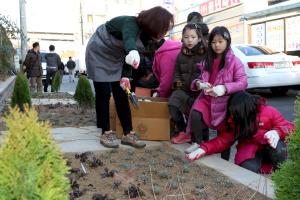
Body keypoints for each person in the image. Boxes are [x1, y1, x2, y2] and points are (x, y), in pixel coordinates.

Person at [85, 6, 174, 148]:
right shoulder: (130, 23)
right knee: (104, 93)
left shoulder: (147, 37)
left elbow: (131, 56)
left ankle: (128, 133)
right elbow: (129, 41)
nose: (165, 32)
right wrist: (132, 52)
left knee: (121, 92)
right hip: (99, 51)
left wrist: (125, 76)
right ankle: (106, 132)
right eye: (164, 28)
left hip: (118, 56)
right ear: (155, 23)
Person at [172, 26, 248, 155]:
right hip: (207, 97)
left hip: (225, 101)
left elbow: (243, 82)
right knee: (195, 114)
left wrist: (225, 88)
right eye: (213, 42)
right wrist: (199, 84)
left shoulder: (235, 62)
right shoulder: (208, 60)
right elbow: (199, 78)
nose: (216, 45)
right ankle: (198, 142)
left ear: (227, 42)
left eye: (220, 41)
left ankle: (224, 159)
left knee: (223, 132)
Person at [187, 91, 295, 173]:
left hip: (270, 148)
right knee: (247, 169)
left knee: (279, 148)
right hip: (249, 148)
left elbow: (289, 127)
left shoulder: (269, 111)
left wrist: (277, 132)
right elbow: (223, 140)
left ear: (245, 111)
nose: (232, 115)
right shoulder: (235, 120)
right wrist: (204, 149)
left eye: (235, 113)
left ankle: (279, 172)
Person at [168, 23, 207, 139]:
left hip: (200, 92)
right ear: (182, 38)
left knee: (198, 119)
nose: (189, 40)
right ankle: (183, 129)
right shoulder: (181, 55)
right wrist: (178, 87)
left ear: (199, 38)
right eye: (186, 37)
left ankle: (201, 141)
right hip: (184, 90)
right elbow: (177, 73)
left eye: (193, 37)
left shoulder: (206, 54)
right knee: (172, 104)